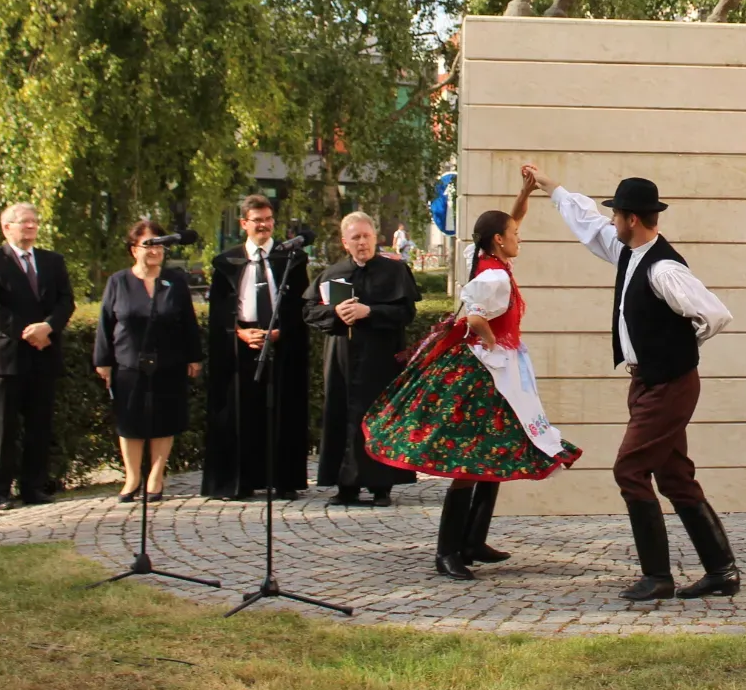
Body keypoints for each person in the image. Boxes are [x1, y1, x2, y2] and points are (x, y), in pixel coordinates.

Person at [523, 165, 739, 601]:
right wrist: (549, 186)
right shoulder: (629, 251)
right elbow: (588, 224)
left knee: (630, 469)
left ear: (632, 219)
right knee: (674, 475)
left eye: (617, 214)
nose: (612, 220)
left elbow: (715, 315)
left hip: (669, 383)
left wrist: (676, 347)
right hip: (650, 382)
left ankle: (657, 576)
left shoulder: (664, 269)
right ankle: (722, 571)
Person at [364, 178, 582, 580]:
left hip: (489, 369)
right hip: (482, 373)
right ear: (499, 240)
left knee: (492, 452)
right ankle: (448, 551)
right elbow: (475, 317)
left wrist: (524, 194)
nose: (519, 237)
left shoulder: (481, 255)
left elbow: (508, 221)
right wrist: (492, 342)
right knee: (470, 459)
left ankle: (473, 540)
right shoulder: (494, 278)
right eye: (514, 234)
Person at [304, 211, 420, 506]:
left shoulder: (395, 271)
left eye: (366, 236)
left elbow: (406, 313)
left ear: (375, 238)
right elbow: (309, 312)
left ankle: (382, 486)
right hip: (342, 358)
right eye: (355, 237)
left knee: (380, 418)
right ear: (345, 242)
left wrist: (370, 311)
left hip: (380, 358)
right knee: (342, 417)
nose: (362, 242)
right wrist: (335, 312)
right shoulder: (332, 273)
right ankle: (346, 486)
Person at [202, 194, 310, 501]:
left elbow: (302, 305)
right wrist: (239, 332)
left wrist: (282, 331)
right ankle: (240, 482)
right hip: (241, 346)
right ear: (244, 224)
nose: (263, 225)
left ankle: (283, 481)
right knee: (241, 414)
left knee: (282, 411)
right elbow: (218, 311)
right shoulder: (227, 262)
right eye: (257, 220)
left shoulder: (292, 259)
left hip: (281, 344)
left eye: (268, 219)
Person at [93, 218, 203, 502]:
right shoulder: (118, 281)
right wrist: (103, 361)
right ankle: (132, 478)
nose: (154, 251)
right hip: (128, 363)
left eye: (159, 245)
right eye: (148, 245)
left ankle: (156, 476)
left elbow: (188, 322)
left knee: (165, 419)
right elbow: (105, 323)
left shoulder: (175, 281)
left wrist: (194, 356)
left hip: (169, 362)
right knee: (130, 422)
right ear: (134, 249)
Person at [0, 203, 75, 510]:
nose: (31, 227)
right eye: (24, 222)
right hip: (6, 358)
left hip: (44, 354)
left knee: (39, 426)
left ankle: (34, 487)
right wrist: (27, 332)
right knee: (3, 427)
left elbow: (66, 301)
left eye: (34, 221)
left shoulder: (52, 261)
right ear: (7, 227)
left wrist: (48, 327)